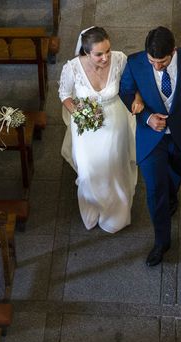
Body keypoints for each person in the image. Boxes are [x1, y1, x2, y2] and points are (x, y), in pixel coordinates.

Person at [119, 26, 181, 266]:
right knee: (155, 190)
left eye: (161, 62)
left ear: (173, 51)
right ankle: (161, 242)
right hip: (151, 137)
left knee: (178, 168)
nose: (156, 66)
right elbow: (126, 90)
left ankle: (171, 194)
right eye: (152, 61)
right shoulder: (135, 62)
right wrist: (146, 118)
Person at [59, 27, 141, 233]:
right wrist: (78, 112)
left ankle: (116, 212)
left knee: (114, 165)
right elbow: (65, 94)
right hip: (86, 125)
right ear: (86, 52)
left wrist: (138, 99)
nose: (105, 58)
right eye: (98, 54)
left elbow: (136, 82)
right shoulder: (72, 68)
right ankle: (92, 204)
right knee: (88, 171)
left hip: (115, 119)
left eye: (108, 51)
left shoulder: (120, 59)